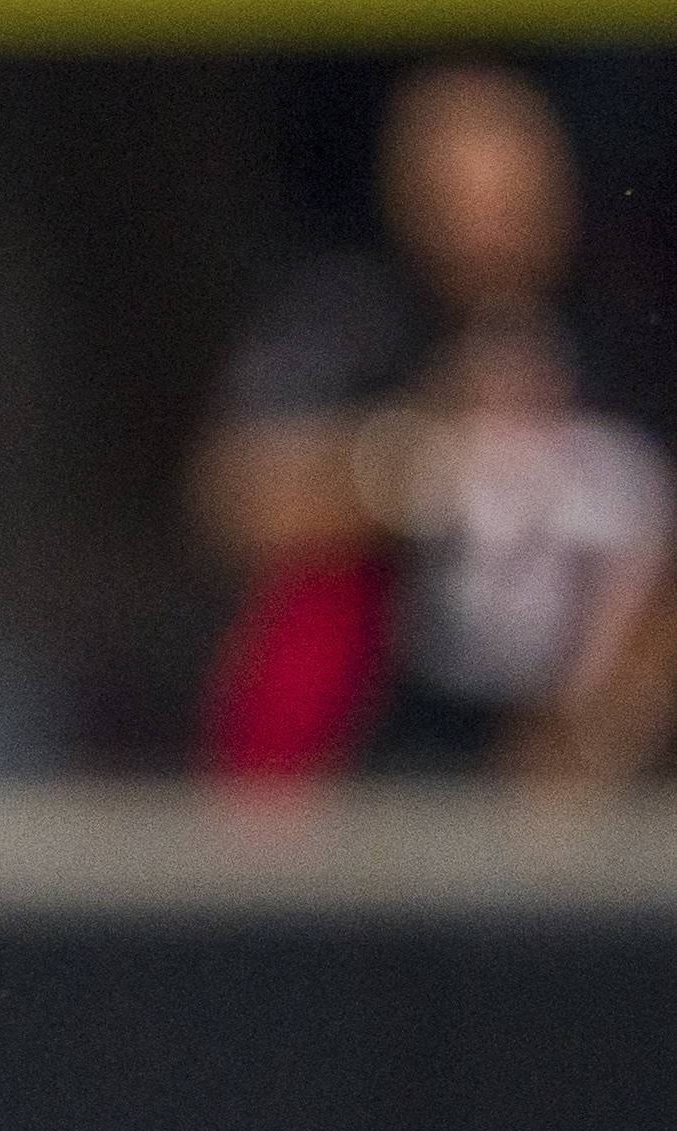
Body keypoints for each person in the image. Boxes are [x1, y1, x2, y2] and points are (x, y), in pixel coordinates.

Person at [193, 61, 672, 778]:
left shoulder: (624, 339)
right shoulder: (357, 327)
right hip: (386, 760)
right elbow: (231, 502)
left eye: (507, 189)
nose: (480, 222)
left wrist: (584, 746)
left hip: (582, 768)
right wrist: (415, 446)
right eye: (450, 187)